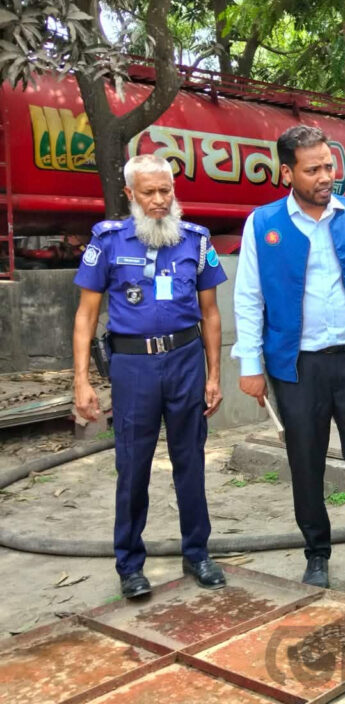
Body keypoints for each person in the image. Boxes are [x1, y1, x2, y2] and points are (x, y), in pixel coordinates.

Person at [232, 125, 345, 591]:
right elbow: (249, 298)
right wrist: (250, 364)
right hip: (297, 367)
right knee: (305, 461)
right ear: (287, 172)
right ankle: (317, 553)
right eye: (313, 169)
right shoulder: (263, 224)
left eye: (329, 166)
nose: (326, 176)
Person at [73, 154, 227, 598]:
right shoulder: (108, 242)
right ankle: (129, 564)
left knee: (190, 462)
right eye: (149, 192)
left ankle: (197, 553)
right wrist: (82, 381)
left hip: (184, 362)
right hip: (133, 368)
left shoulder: (195, 241)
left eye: (166, 190)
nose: (160, 200)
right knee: (133, 466)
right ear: (130, 195)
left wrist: (213, 375)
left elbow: (211, 314)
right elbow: (85, 316)